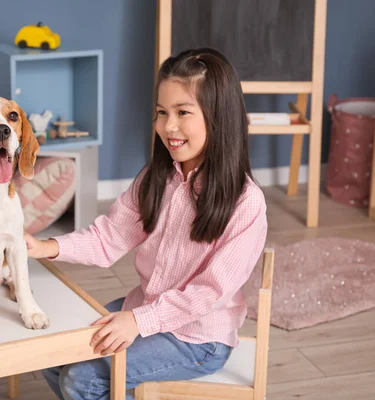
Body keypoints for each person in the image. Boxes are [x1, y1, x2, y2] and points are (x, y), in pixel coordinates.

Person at [24, 47, 268, 400]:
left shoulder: (246, 203)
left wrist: (139, 322)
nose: (168, 126)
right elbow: (109, 237)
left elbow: (209, 293)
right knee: (52, 350)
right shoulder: (158, 177)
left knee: (82, 379)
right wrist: (46, 246)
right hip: (146, 309)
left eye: (183, 112)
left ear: (219, 117)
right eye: (161, 112)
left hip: (198, 337)